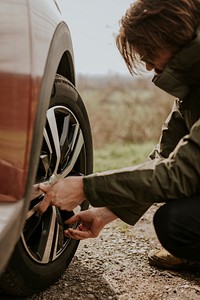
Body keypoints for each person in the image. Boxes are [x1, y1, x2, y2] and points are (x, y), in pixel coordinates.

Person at [39, 0, 200, 271]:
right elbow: (164, 157)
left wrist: (85, 187)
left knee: (177, 224)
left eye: (148, 51)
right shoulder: (191, 89)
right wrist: (108, 211)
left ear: (170, 34)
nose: (148, 65)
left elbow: (182, 173)